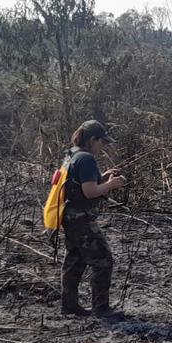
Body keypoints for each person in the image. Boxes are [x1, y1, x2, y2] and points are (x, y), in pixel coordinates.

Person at [59, 120, 127, 317]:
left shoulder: (72, 154)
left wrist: (104, 177)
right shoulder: (87, 159)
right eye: (101, 142)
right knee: (103, 260)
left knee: (75, 260)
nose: (102, 147)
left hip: (69, 217)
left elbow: (80, 184)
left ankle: (69, 305)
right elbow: (89, 192)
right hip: (81, 219)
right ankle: (101, 308)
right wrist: (111, 184)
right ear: (92, 140)